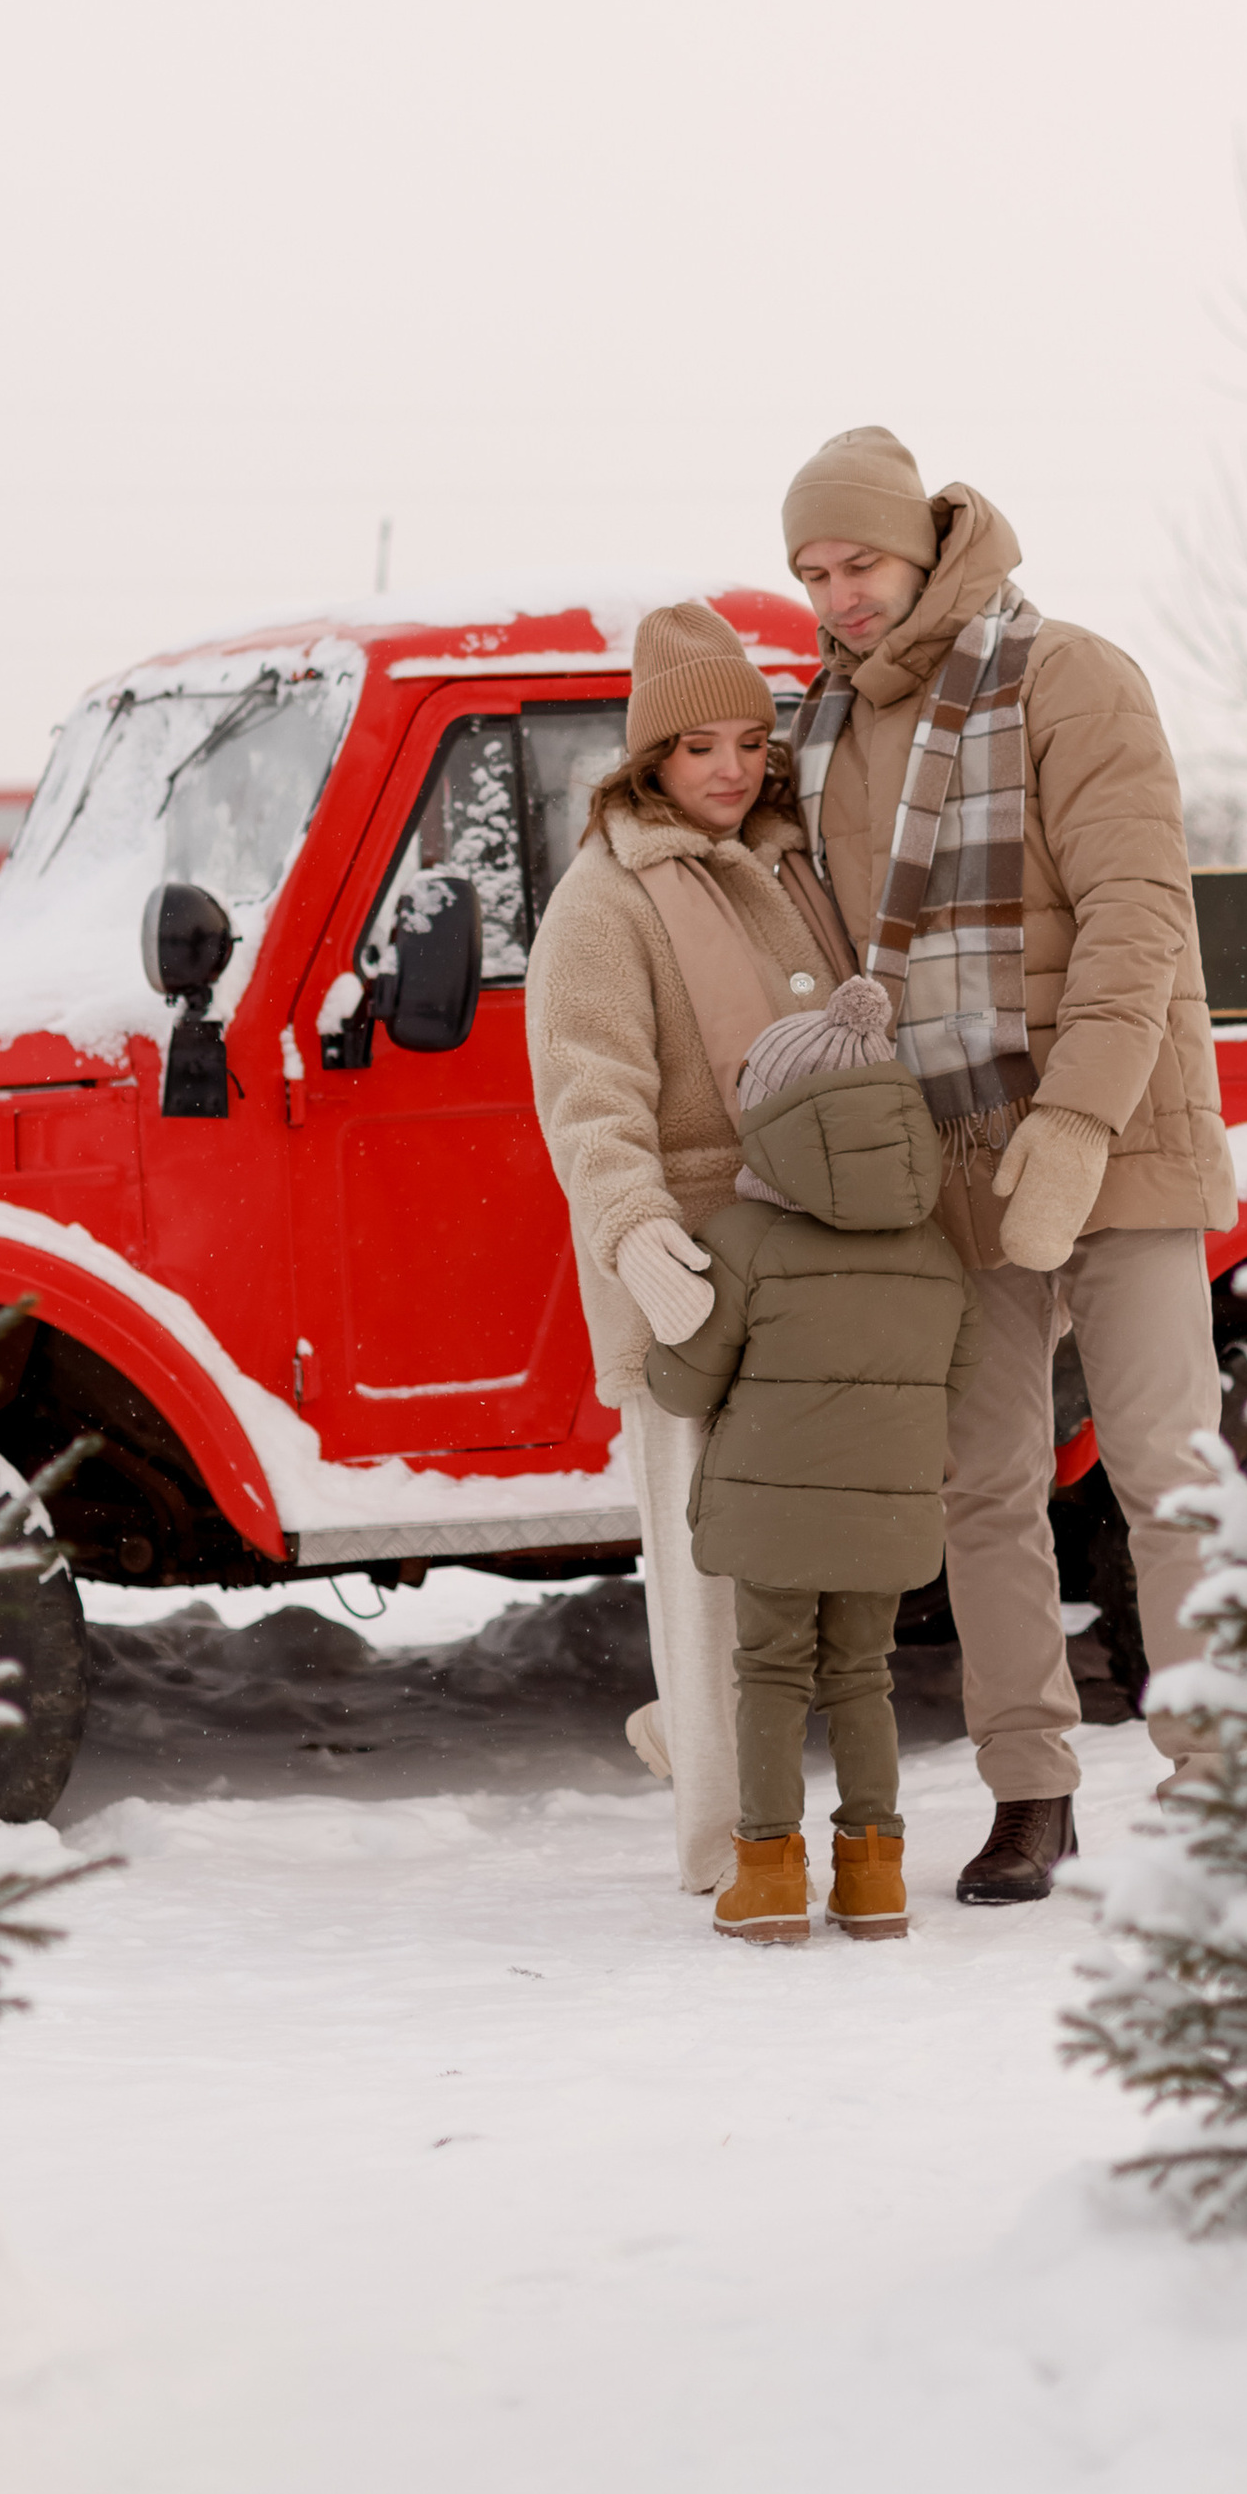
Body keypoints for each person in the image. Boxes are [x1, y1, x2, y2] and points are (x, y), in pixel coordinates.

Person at [780, 424, 1238, 1903]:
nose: (841, 594)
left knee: (1166, 1467)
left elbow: (1136, 915)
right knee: (981, 1482)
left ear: (922, 545)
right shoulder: (826, 729)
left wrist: (1081, 1118)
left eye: (859, 561)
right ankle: (1031, 1788)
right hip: (954, 1148)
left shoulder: (1068, 677)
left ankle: (1223, 1781)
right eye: (813, 573)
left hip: (1117, 1136)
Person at [523, 598, 848, 1898]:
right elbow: (587, 1091)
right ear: (648, 759)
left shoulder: (786, 874)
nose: (729, 768)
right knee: (710, 1577)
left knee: (810, 1571)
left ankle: (688, 1737)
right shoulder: (603, 900)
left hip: (813, 1268)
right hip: (692, 1285)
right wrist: (638, 1238)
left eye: (748, 742)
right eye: (698, 745)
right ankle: (727, 1849)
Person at [644, 975, 981, 1945]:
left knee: (772, 1675)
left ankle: (769, 1872)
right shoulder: (933, 1255)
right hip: (887, 1510)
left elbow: (686, 1384)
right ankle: (874, 1877)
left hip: (771, 1514)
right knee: (863, 1677)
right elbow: (952, 1378)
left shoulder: (743, 1241)